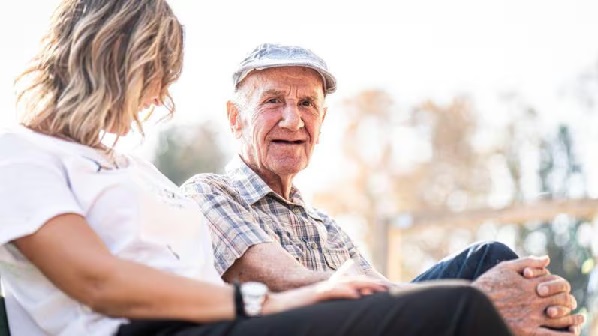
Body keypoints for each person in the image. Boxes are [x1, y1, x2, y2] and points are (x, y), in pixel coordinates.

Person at [0, 1, 516, 335]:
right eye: (153, 76)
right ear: (106, 61)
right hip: (156, 330)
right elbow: (99, 282)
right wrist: (267, 304)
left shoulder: (131, 167)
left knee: (489, 266)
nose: (161, 100)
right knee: (460, 312)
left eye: (308, 105)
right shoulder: (20, 155)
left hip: (220, 319)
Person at [181, 42, 585, 336]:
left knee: (493, 260)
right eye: (273, 101)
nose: (293, 120)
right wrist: (474, 304)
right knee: (494, 292)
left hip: (367, 324)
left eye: (307, 105)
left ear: (321, 121)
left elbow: (388, 297)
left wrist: (508, 301)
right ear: (235, 118)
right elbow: (291, 280)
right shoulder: (210, 193)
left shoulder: (325, 225)